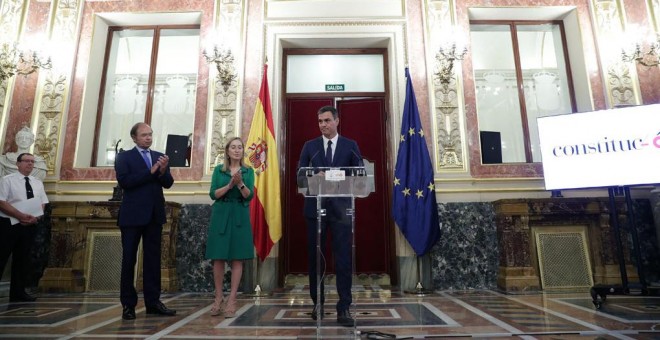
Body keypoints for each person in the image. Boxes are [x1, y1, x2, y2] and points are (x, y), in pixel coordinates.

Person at [297, 105, 363, 327]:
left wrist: (335, 175)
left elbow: (361, 174)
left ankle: (344, 306)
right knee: (316, 259)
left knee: (343, 259)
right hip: (315, 210)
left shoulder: (350, 145)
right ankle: (318, 303)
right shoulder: (310, 146)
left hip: (341, 210)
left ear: (337, 121)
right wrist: (313, 175)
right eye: (319, 121)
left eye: (326, 120)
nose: (323, 125)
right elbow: (299, 177)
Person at [114, 122, 176, 320]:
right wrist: (150, 172)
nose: (148, 138)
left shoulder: (159, 156)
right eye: (144, 135)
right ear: (134, 137)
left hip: (154, 216)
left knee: (153, 261)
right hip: (132, 217)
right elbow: (126, 182)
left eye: (150, 134)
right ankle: (128, 305)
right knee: (129, 260)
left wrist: (163, 170)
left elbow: (168, 183)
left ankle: (153, 302)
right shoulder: (124, 157)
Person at [205, 137, 254, 318]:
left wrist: (240, 183)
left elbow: (249, 196)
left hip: (239, 215)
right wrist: (230, 185)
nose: (236, 150)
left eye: (240, 147)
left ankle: (232, 299)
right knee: (218, 258)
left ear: (243, 151)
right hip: (221, 214)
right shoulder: (219, 170)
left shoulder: (248, 171)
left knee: (237, 258)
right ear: (227, 151)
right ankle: (218, 297)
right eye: (233, 147)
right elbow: (213, 194)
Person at [0, 153, 48, 302]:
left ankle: (18, 292)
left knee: (23, 260)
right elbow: (2, 201)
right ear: (18, 163)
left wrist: (36, 217)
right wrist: (20, 215)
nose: (30, 164)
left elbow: (42, 202)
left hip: (30, 225)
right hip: (9, 223)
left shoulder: (37, 182)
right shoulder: (7, 180)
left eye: (32, 162)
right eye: (26, 161)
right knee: (1, 257)